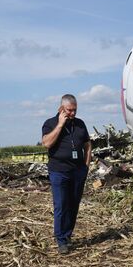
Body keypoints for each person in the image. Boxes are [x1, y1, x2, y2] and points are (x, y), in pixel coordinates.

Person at [42, 94, 92, 254]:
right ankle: (61, 239)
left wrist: (86, 166)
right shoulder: (50, 123)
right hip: (59, 171)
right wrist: (60, 124)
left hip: (78, 171)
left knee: (73, 204)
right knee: (61, 205)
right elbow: (47, 143)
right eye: (69, 110)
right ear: (61, 108)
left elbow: (87, 145)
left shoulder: (80, 124)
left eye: (75, 110)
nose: (73, 113)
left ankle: (68, 234)